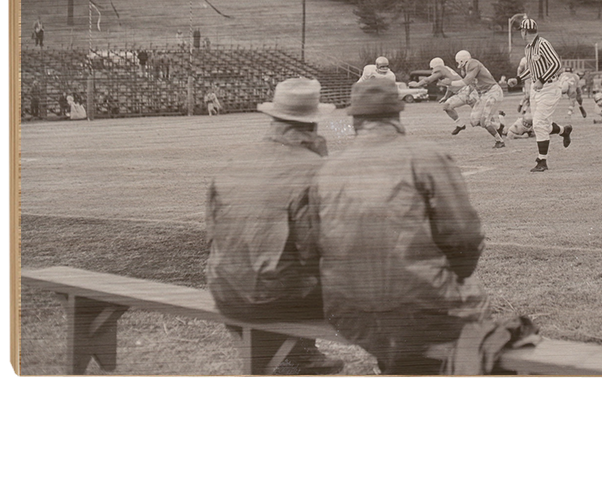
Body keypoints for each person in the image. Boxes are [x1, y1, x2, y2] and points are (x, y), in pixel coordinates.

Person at [307, 77, 490, 374]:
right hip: (419, 312)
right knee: (471, 298)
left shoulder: (327, 169)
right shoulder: (427, 156)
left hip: (348, 313)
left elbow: (316, 243)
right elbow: (465, 238)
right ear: (397, 113)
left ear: (354, 119)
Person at [205, 78, 344, 375]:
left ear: (274, 117)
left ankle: (300, 352)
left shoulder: (235, 160)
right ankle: (300, 352)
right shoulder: (315, 168)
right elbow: (317, 250)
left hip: (224, 287)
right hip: (272, 299)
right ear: (313, 122)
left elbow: (212, 233)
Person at [519, 17, 572, 172]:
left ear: (525, 31)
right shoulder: (529, 48)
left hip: (549, 87)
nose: (520, 34)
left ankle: (542, 161)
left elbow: (556, 63)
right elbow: (531, 69)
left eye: (521, 30)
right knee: (543, 125)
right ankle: (564, 130)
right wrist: (518, 78)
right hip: (536, 90)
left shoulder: (543, 44)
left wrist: (542, 79)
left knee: (538, 124)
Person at [448, 50, 507, 148]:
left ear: (462, 61)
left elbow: (466, 81)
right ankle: (499, 127)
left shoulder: (472, 63)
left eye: (459, 63)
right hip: (484, 94)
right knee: (474, 120)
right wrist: (468, 94)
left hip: (493, 92)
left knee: (485, 121)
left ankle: (499, 141)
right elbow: (472, 84)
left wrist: (450, 83)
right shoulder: (469, 67)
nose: (459, 66)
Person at [411, 57, 468, 131]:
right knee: (447, 106)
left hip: (465, 92)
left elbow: (428, 80)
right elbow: (450, 86)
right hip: (465, 91)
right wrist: (446, 97)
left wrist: (417, 84)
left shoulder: (440, 70)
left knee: (478, 118)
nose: (432, 70)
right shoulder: (447, 70)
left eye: (432, 68)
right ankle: (460, 125)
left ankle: (460, 124)